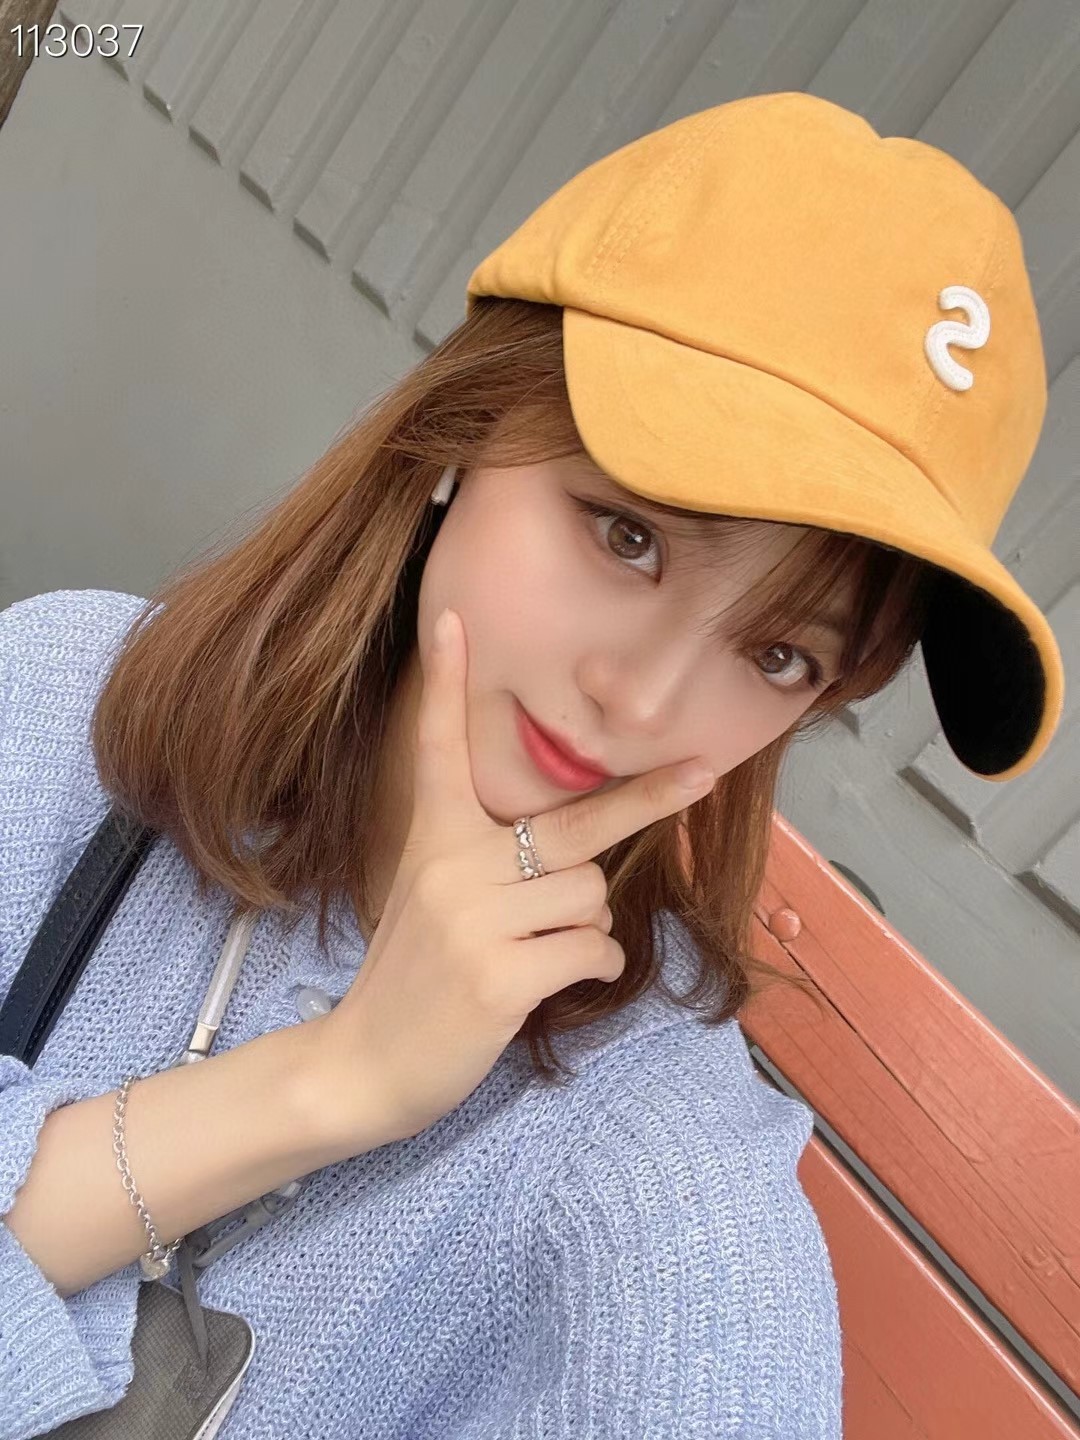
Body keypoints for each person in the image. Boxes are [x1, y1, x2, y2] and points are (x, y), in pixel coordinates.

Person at [0, 90, 1063, 1439]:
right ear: (464, 431)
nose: (642, 700)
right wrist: (333, 1080)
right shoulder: (65, 706)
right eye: (627, 536)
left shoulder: (654, 1170)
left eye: (780, 655)